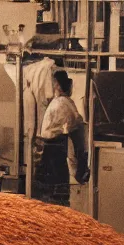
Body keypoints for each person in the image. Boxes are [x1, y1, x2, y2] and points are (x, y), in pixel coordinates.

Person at [34, 70, 88, 206]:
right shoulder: (64, 103)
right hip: (56, 153)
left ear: (57, 85)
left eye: (54, 84)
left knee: (53, 198)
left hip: (55, 153)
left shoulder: (60, 104)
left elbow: (72, 129)